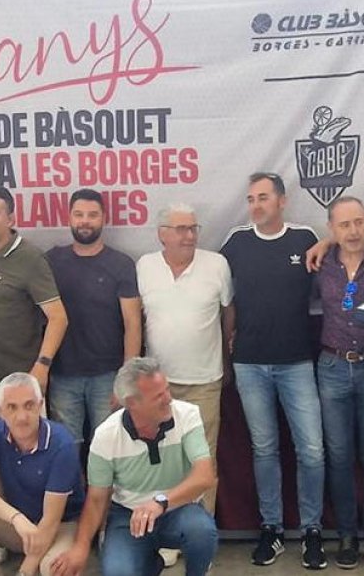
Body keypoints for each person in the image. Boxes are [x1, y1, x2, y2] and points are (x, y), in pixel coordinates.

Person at [220, 172, 326, 569]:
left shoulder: (304, 238)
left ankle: (312, 530)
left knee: (312, 450)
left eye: (263, 197)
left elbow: (339, 264)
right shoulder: (235, 243)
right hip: (249, 364)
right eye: (251, 199)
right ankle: (273, 529)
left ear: (282, 201)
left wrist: (329, 240)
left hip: (297, 362)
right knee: (264, 450)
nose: (256, 205)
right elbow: (223, 299)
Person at [51, 357, 218, 576]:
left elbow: (205, 477)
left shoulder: (188, 415)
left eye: (166, 389)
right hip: (127, 517)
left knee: (201, 531)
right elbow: (96, 499)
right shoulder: (105, 436)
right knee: (118, 572)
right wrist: (81, 547)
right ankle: (149, 563)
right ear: (131, 403)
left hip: (178, 509)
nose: (168, 398)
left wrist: (161, 502)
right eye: (159, 396)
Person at [136, 202, 233, 515]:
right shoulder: (144, 266)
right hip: (157, 384)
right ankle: (165, 531)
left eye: (193, 228)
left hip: (205, 381)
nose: (189, 236)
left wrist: (225, 360)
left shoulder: (217, 265)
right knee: (161, 459)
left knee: (202, 459)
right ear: (162, 234)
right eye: (181, 229)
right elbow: (135, 320)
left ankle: (200, 533)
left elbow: (228, 313)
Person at [313, 197, 364, 570]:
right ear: (332, 229)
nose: (353, 231)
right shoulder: (320, 263)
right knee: (340, 456)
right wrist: (323, 245)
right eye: (344, 225)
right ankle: (346, 534)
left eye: (358, 222)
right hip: (331, 367)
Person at [0, 184, 68, 446]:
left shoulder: (30, 258)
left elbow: (58, 317)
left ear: (11, 218)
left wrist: (41, 368)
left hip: (19, 381)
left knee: (29, 449)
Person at [0, 373, 84, 576]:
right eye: (12, 407)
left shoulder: (61, 444)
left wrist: (24, 571)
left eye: (29, 405)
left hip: (62, 526)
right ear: (0, 411)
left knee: (53, 568)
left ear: (41, 405)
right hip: (22, 524)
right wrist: (16, 518)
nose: (21, 417)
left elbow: (50, 523)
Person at [44, 188, 141, 446]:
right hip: (63, 374)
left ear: (103, 219)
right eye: (79, 214)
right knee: (66, 448)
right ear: (69, 218)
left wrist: (126, 377)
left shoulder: (121, 264)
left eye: (92, 215)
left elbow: (132, 324)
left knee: (110, 446)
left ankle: (105, 490)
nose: (85, 221)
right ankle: (72, 489)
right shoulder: (51, 261)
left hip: (108, 375)